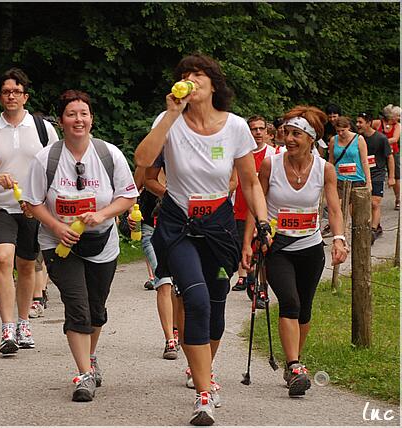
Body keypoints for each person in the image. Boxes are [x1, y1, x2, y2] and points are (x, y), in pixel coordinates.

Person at [134, 53, 269, 426]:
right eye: (184, 75)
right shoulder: (168, 121)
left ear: (214, 83)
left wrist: (263, 220)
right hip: (178, 223)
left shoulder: (236, 126)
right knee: (194, 299)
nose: (191, 80)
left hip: (220, 225)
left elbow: (250, 182)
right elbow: (143, 161)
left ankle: (202, 369)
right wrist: (171, 116)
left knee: (215, 305)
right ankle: (204, 392)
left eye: (198, 74)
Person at [24, 89, 138, 402]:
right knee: (77, 305)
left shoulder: (108, 154)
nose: (79, 120)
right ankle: (83, 373)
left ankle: (90, 355)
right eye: (72, 114)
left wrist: (101, 214)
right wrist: (58, 226)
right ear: (61, 121)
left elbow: (128, 195)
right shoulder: (47, 159)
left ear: (91, 119)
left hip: (102, 243)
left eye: (84, 114)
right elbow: (32, 202)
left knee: (96, 309)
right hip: (59, 244)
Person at [242, 105, 348, 397]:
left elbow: (334, 208)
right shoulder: (270, 165)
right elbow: (256, 202)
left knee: (305, 308)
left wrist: (339, 238)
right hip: (277, 246)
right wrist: (249, 241)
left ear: (311, 138)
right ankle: (295, 363)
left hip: (311, 247)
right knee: (289, 301)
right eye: (286, 133)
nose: (288, 139)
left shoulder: (324, 169)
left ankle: (293, 367)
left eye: (296, 134)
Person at [0, 68, 59, 355]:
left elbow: (56, 168)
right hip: (0, 207)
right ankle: (7, 328)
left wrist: (44, 201)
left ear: (25, 96)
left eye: (16, 92)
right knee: (3, 258)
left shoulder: (43, 128)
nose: (11, 96)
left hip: (34, 207)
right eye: (6, 92)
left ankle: (23, 323)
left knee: (27, 265)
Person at [231, 116, 277, 307]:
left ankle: (261, 289)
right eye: (253, 129)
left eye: (261, 129)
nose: (257, 133)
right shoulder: (239, 154)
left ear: (267, 132)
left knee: (263, 253)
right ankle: (251, 282)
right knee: (245, 252)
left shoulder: (274, 155)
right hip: (239, 211)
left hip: (264, 213)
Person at [139, 158, 181, 360]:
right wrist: (131, 215)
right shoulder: (146, 167)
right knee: (163, 282)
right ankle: (170, 340)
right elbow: (129, 194)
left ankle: (177, 329)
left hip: (181, 232)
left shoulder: (184, 167)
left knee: (180, 286)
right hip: (151, 231)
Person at [356, 112, 395, 243]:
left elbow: (390, 158)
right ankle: (374, 225)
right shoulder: (358, 138)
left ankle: (372, 231)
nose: (357, 125)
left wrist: (391, 176)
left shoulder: (381, 138)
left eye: (360, 122)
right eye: (357, 122)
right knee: (364, 204)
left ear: (369, 122)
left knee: (374, 203)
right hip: (362, 174)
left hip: (378, 173)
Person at [327, 116, 372, 217]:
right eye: (338, 131)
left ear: (348, 127)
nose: (341, 133)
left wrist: (368, 182)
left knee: (355, 211)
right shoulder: (334, 140)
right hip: (339, 178)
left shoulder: (359, 139)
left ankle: (355, 230)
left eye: (343, 130)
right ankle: (341, 230)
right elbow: (331, 161)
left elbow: (365, 161)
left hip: (356, 178)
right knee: (339, 207)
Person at [372, 104, 400, 210]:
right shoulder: (377, 123)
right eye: (397, 116)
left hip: (393, 152)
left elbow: (395, 139)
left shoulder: (397, 126)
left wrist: (379, 141)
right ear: (391, 115)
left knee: (396, 176)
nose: (399, 118)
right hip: (379, 153)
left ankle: (398, 199)